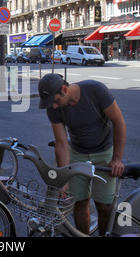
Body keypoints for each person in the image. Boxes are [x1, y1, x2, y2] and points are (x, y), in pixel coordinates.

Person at [38, 73, 126, 235]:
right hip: (77, 152)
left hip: (103, 152)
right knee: (78, 203)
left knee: (104, 206)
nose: (54, 106)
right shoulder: (53, 108)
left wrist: (117, 159)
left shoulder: (96, 91)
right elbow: (62, 143)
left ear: (65, 89)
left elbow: (119, 121)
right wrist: (62, 178)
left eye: (55, 101)